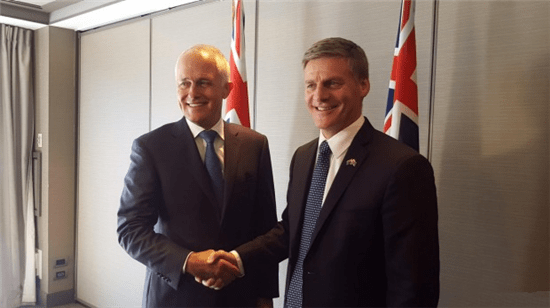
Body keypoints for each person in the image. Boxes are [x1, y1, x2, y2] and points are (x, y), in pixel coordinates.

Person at [210, 37, 440, 307]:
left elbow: (413, 287)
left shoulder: (402, 167)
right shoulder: (304, 156)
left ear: (363, 85)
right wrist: (235, 259)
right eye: (311, 85)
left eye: (332, 83)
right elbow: (293, 230)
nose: (319, 96)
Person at [117, 44, 278, 308]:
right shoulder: (151, 148)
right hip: (175, 296)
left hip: (240, 297)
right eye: (184, 84)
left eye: (203, 83)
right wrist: (189, 261)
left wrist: (265, 296)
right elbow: (130, 228)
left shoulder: (254, 145)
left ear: (227, 88)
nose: (192, 93)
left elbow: (265, 227)